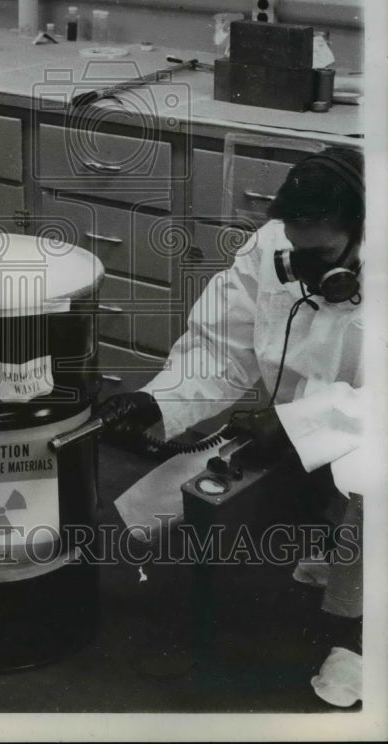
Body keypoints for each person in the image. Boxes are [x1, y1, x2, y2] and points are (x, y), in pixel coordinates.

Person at [105, 146, 366, 707]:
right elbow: (219, 348)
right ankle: (337, 541)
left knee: (371, 485)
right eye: (297, 253)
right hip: (302, 425)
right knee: (177, 500)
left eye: (319, 255)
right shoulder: (275, 248)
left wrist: (300, 423)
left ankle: (360, 637)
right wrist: (155, 402)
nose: (305, 272)